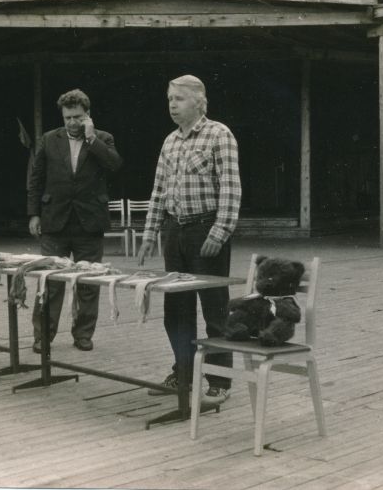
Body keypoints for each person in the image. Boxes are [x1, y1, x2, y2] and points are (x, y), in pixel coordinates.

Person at [137, 75, 241, 406]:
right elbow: (158, 191)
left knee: (214, 310)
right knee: (176, 309)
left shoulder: (219, 135)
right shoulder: (169, 142)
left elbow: (230, 187)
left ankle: (220, 380)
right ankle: (183, 372)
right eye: (169, 98)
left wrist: (220, 231)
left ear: (199, 101)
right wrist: (150, 233)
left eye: (179, 99)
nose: (171, 104)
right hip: (174, 232)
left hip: (205, 230)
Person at [27, 88, 122, 352]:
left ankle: (83, 334)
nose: (72, 122)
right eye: (68, 117)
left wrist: (92, 139)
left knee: (89, 283)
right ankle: (43, 335)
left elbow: (115, 165)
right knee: (50, 282)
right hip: (54, 221)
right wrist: (34, 213)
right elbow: (36, 179)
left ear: (88, 115)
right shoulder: (48, 139)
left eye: (78, 117)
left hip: (89, 223)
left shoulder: (103, 138)